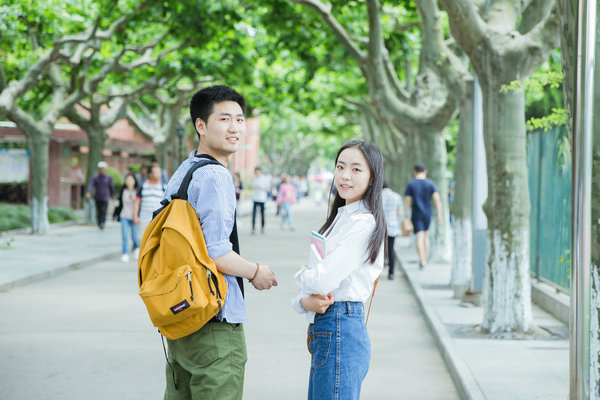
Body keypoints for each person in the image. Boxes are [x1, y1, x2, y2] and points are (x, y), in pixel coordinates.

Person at [161, 85, 278, 400]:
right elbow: (217, 252)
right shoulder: (216, 176)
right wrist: (256, 271)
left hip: (181, 317)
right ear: (201, 125)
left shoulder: (185, 171)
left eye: (240, 120)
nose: (235, 128)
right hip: (213, 319)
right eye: (224, 119)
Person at [292, 140, 386, 400]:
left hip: (341, 326)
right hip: (329, 324)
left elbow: (321, 279)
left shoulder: (363, 223)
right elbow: (316, 286)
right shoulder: (341, 218)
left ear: (372, 177)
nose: (345, 176)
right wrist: (304, 299)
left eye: (356, 170)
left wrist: (301, 273)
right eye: (340, 167)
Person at [403, 162, 443, 269]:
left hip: (416, 213)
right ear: (425, 171)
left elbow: (407, 200)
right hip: (428, 213)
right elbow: (437, 200)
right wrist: (439, 216)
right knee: (426, 236)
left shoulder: (411, 184)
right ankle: (424, 258)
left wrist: (406, 214)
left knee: (419, 237)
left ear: (415, 171)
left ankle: (422, 260)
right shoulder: (431, 184)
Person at [134, 165, 166, 241]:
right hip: (144, 218)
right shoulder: (143, 186)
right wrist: (135, 216)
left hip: (158, 219)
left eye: (159, 172)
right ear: (150, 174)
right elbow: (137, 201)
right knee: (143, 240)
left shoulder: (163, 187)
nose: (159, 174)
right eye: (156, 172)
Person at [112, 173, 139, 262]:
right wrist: (114, 215)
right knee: (124, 236)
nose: (129, 182)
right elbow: (118, 204)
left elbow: (140, 204)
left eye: (131, 180)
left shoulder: (137, 191)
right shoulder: (123, 191)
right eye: (127, 180)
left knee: (134, 237)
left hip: (134, 216)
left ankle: (136, 248)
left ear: (135, 181)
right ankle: (125, 253)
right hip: (124, 216)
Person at [382, 181, 403, 279]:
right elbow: (399, 213)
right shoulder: (396, 197)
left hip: (380, 228)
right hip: (392, 227)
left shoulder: (378, 196)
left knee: (378, 250)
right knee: (391, 249)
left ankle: (377, 271)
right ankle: (391, 273)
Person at [86, 161, 115, 230]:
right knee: (99, 210)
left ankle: (102, 222)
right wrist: (88, 192)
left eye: (103, 169)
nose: (102, 170)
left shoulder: (108, 177)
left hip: (105, 197)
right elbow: (91, 185)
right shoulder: (95, 177)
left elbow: (111, 186)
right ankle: (99, 223)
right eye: (101, 169)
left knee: (103, 210)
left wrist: (113, 194)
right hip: (98, 197)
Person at [251, 166, 269, 234]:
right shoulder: (254, 179)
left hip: (262, 199)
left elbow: (268, 189)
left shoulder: (264, 179)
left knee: (262, 214)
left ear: (261, 172)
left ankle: (262, 227)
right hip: (255, 198)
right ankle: (253, 228)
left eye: (258, 172)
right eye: (256, 172)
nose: (257, 173)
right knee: (254, 214)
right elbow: (251, 187)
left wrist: (262, 188)